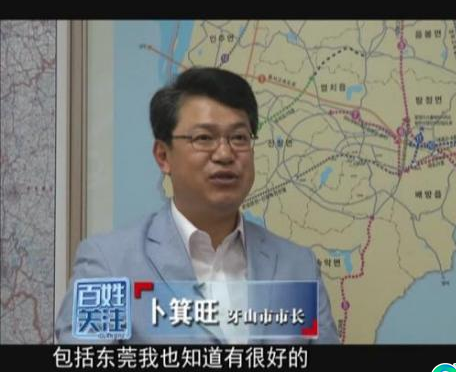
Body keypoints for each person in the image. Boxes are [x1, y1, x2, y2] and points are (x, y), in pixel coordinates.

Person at [55, 67, 340, 344]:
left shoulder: (296, 266)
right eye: (204, 138)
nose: (225, 154)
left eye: (239, 138)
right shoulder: (110, 265)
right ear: (163, 156)